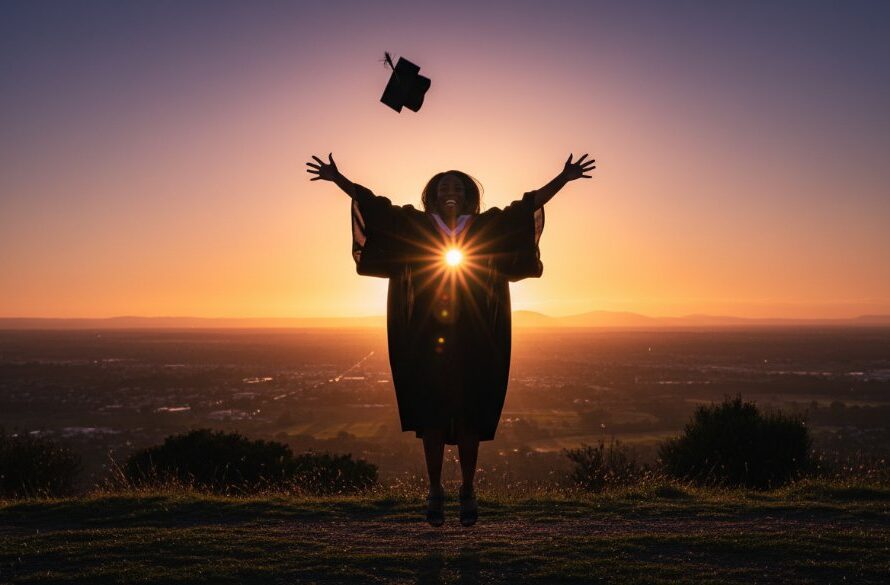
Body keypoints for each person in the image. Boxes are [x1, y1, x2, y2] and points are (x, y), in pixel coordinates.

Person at [305, 153, 595, 526]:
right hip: (426, 336)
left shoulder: (486, 226)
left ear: (470, 194)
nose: (451, 192)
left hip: (476, 335)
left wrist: (564, 177)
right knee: (433, 416)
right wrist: (338, 178)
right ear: (433, 195)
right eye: (444, 187)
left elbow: (528, 206)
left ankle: (469, 489)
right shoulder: (417, 225)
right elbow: (376, 207)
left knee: (472, 413)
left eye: (458, 187)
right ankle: (435, 489)